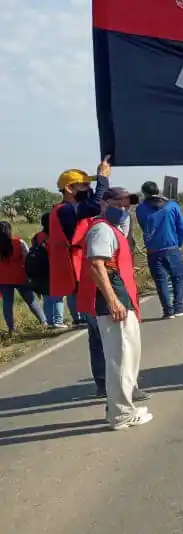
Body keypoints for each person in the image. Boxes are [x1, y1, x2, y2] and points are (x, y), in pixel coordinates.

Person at [79, 188, 153, 429]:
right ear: (104, 203)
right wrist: (112, 300)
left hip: (122, 297)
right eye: (118, 204)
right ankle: (121, 414)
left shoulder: (112, 229)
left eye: (127, 205)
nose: (124, 208)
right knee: (120, 358)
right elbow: (96, 266)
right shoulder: (101, 229)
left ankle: (118, 406)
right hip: (114, 300)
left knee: (127, 357)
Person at [49, 159, 111, 397]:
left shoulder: (68, 211)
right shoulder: (65, 211)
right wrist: (103, 178)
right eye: (83, 186)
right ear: (69, 189)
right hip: (84, 280)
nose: (89, 189)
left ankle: (104, 383)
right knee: (103, 334)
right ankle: (109, 384)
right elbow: (95, 205)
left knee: (98, 335)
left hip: (85, 277)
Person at [136, 180, 183, 319]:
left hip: (153, 250)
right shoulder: (172, 206)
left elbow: (143, 227)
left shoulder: (140, 208)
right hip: (172, 247)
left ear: (144, 193)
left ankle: (167, 311)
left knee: (161, 281)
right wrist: (179, 242)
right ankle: (178, 307)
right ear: (157, 190)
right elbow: (181, 227)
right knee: (177, 278)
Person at [0, 221, 47, 334]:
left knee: (7, 304)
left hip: (3, 278)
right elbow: (27, 258)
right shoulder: (18, 242)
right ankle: (44, 322)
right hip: (20, 276)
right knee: (31, 300)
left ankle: (11, 329)